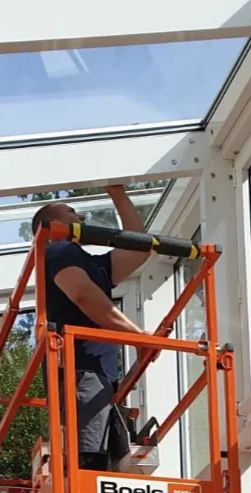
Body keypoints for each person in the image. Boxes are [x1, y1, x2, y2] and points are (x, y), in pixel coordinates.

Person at [31, 186, 150, 472]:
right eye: (72, 212)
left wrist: (117, 193)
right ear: (53, 224)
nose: (82, 217)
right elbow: (82, 294)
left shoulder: (91, 264)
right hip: (80, 372)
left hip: (93, 377)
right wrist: (137, 336)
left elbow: (140, 247)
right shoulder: (59, 250)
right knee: (87, 460)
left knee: (94, 455)